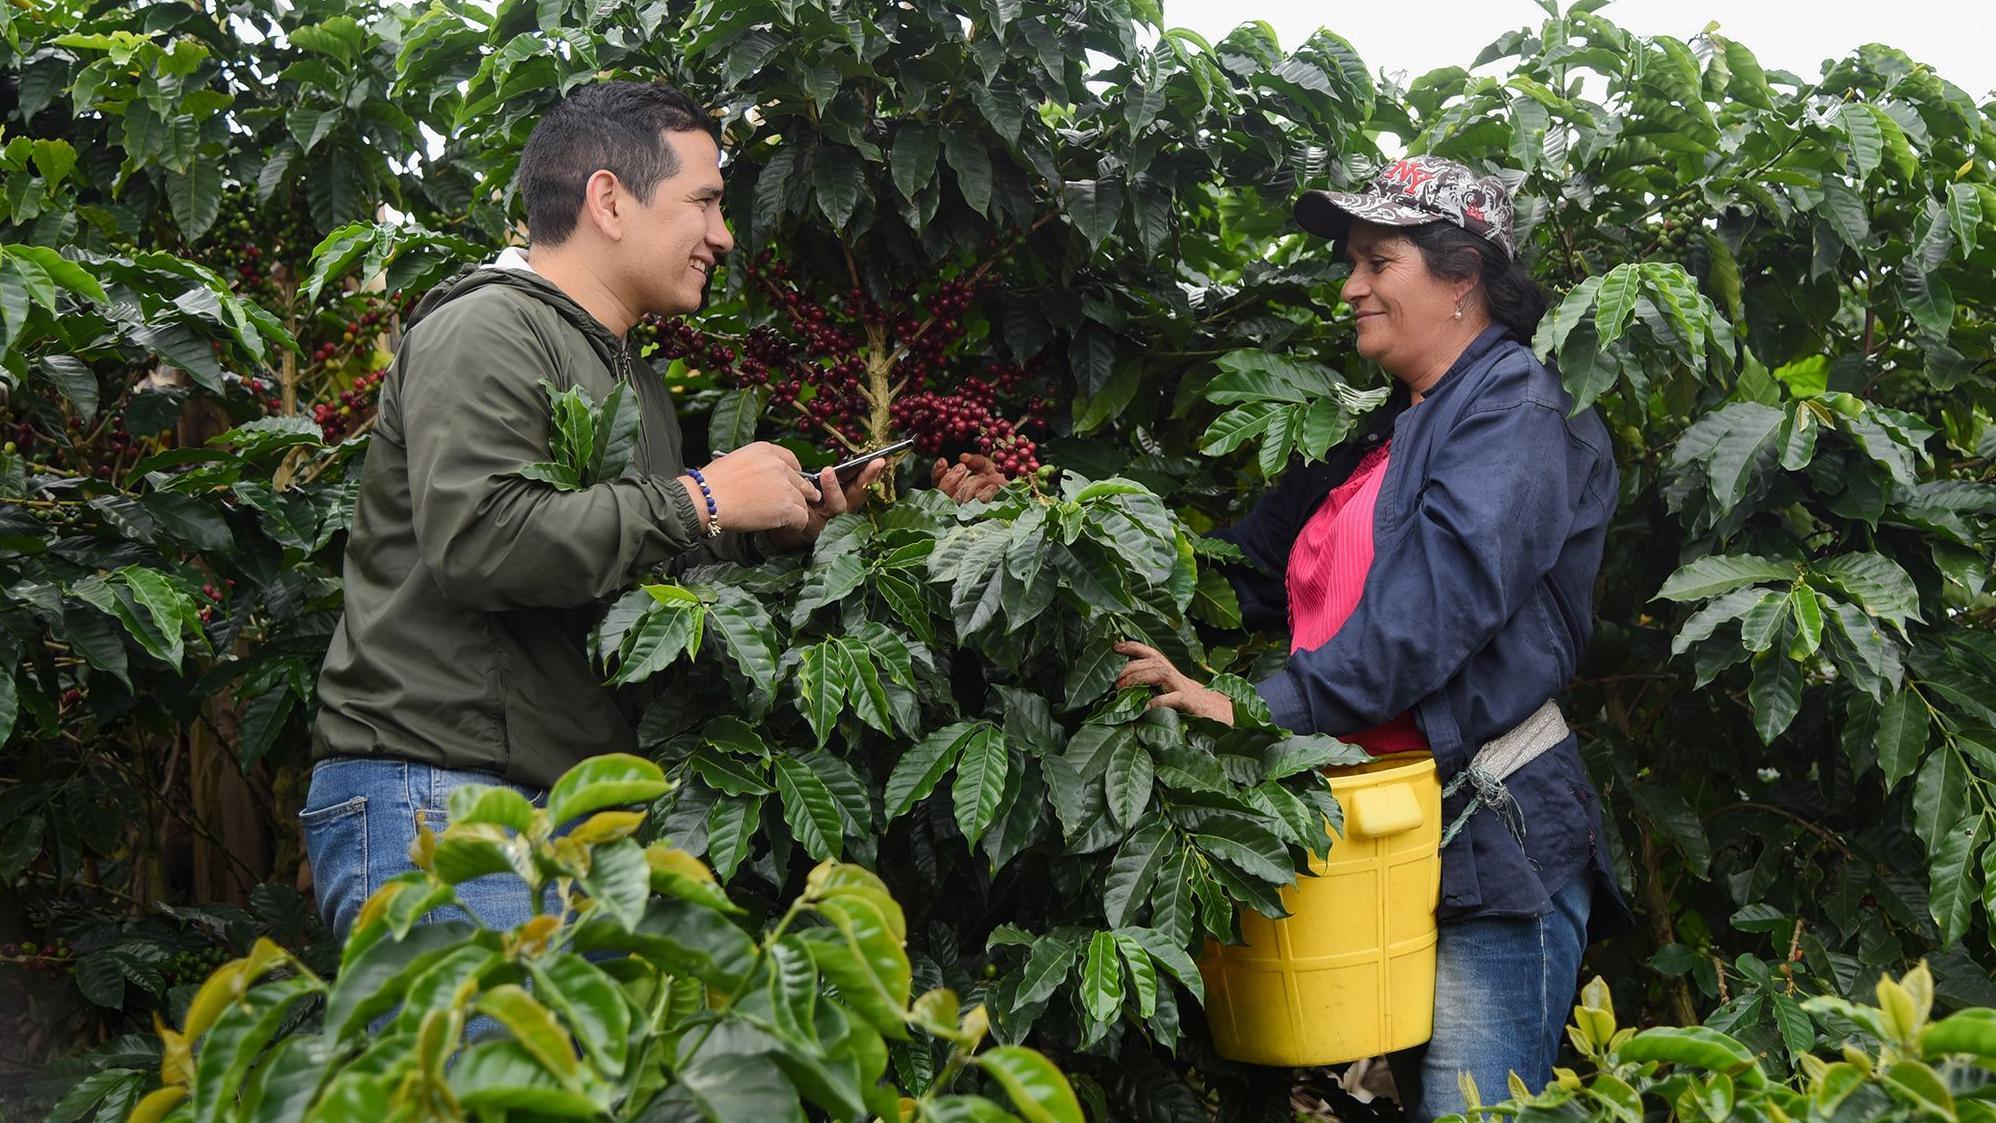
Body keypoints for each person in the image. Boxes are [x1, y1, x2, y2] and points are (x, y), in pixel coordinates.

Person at [301, 81, 887, 938]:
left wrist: (776, 530)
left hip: (560, 814)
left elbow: (634, 559)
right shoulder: (487, 327)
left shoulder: (630, 379)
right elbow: (482, 542)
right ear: (609, 199)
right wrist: (708, 494)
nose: (722, 236)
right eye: (705, 201)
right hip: (448, 800)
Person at [1114, 156, 1630, 1122]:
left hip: (1486, 838)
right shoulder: (1381, 432)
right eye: (1350, 261)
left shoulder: (1516, 407)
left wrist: (1260, 709)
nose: (1350, 286)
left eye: (1376, 260)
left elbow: (1432, 613)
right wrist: (1062, 532)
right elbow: (1235, 574)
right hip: (1371, 839)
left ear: (1463, 273)